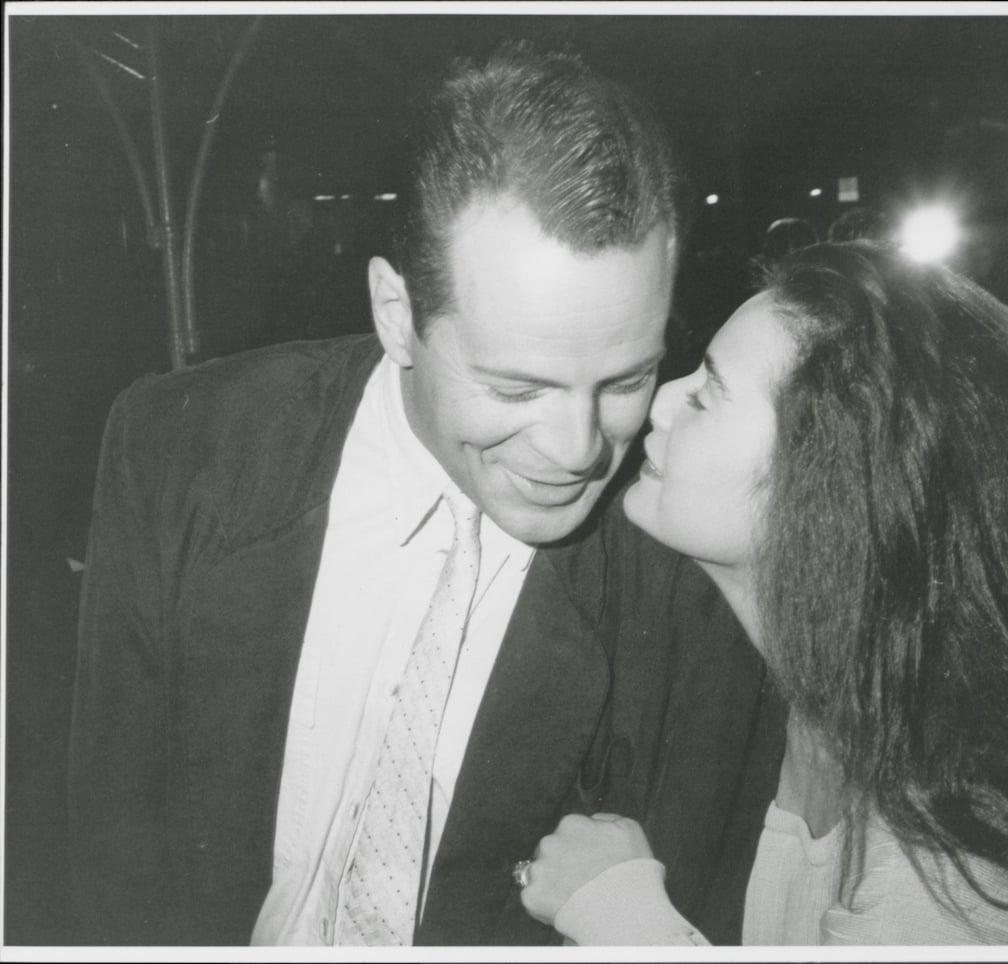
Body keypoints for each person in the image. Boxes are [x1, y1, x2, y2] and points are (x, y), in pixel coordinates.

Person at [67, 43, 784, 947]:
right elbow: (110, 869)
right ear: (397, 315)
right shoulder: (182, 451)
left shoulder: (693, 581)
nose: (578, 449)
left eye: (626, 380)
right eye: (517, 387)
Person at [518, 241, 1008, 945]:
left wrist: (622, 914)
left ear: (823, 482)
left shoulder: (954, 861)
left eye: (708, 392)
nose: (660, 402)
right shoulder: (806, 706)